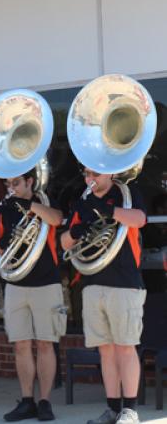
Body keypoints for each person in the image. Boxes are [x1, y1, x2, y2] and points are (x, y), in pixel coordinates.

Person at [61, 168, 147, 424]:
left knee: (126, 348)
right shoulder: (84, 202)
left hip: (124, 282)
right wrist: (78, 231)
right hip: (93, 282)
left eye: (95, 174)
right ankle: (112, 408)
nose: (90, 180)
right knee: (106, 351)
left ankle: (130, 410)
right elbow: (65, 242)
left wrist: (108, 211)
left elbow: (140, 219)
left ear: (109, 173)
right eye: (86, 175)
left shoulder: (127, 195)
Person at [0, 170, 65, 422]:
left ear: (29, 182)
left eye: (15, 183)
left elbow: (56, 220)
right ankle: (26, 401)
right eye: (7, 183)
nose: (10, 188)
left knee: (45, 343)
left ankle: (44, 401)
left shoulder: (44, 201)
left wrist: (29, 205)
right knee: (21, 345)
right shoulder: (5, 207)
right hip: (16, 283)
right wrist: (6, 246)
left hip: (46, 282)